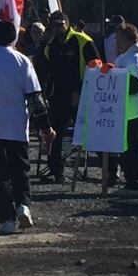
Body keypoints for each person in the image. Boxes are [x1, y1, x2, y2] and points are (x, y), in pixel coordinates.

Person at [0, 19, 55, 235]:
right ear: (13, 37)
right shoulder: (23, 61)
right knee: (20, 169)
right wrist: (45, 127)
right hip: (16, 125)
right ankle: (23, 204)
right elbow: (35, 99)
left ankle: (6, 220)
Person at [38, 10, 98, 183]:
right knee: (54, 134)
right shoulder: (51, 45)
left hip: (81, 94)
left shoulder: (82, 41)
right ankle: (56, 170)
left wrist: (80, 91)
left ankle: (109, 169)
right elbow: (44, 68)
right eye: (53, 25)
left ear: (67, 24)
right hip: (58, 96)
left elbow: (95, 67)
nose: (57, 29)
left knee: (91, 132)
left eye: (60, 25)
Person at [108, 23, 138, 191]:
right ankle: (131, 178)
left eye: (120, 40)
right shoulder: (127, 56)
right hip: (129, 109)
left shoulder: (135, 58)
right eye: (116, 40)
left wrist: (115, 84)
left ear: (130, 40)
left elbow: (136, 84)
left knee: (134, 145)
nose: (117, 44)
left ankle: (135, 181)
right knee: (129, 144)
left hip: (136, 108)